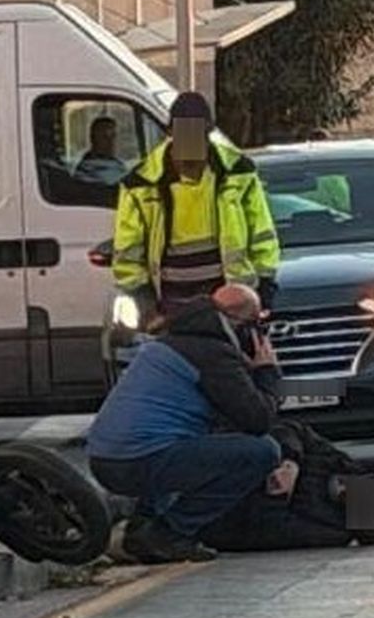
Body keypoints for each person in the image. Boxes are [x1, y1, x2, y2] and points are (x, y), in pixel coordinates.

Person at [87, 282, 283, 562]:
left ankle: (142, 527)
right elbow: (258, 419)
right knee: (263, 451)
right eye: (257, 327)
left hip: (105, 458)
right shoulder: (214, 353)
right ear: (241, 324)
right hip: (137, 461)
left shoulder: (172, 341)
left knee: (183, 442)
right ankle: (169, 532)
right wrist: (267, 372)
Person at [111, 91, 280, 320]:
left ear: (208, 134)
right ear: (170, 134)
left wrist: (265, 285)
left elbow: (262, 235)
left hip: (231, 298)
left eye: (196, 137)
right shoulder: (140, 183)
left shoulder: (238, 172)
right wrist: (143, 298)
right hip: (171, 303)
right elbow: (128, 251)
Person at [74, 116, 128, 184]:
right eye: (105, 136)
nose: (111, 141)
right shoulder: (86, 169)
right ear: (93, 138)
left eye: (113, 136)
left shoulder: (118, 164)